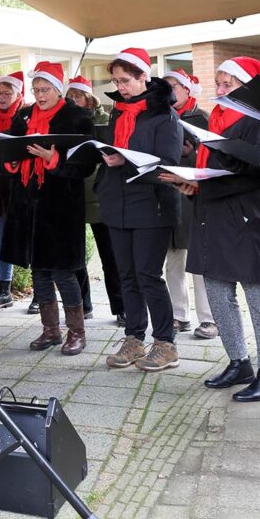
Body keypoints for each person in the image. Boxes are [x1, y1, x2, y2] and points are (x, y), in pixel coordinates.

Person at [163, 57, 260, 402]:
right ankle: (238, 362)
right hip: (211, 212)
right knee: (217, 292)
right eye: (217, 83)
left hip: (248, 217)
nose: (219, 91)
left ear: (247, 87)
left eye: (227, 84)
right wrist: (193, 183)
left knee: (258, 296)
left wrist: (204, 183)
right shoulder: (216, 119)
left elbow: (257, 172)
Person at [97, 49, 182, 371]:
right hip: (117, 204)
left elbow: (170, 164)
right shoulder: (119, 112)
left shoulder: (165, 116)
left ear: (144, 77)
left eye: (126, 80)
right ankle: (134, 338)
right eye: (116, 80)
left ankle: (165, 343)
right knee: (127, 276)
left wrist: (125, 159)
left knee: (148, 276)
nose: (120, 86)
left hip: (152, 205)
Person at [1, 61, 94, 356]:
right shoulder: (24, 115)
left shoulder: (77, 117)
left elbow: (86, 164)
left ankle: (76, 332)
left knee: (63, 271)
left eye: (45, 90)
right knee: (39, 270)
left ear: (58, 89)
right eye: (36, 89)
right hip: (28, 203)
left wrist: (53, 160)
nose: (40, 95)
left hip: (61, 206)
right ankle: (50, 330)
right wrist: (13, 160)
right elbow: (9, 149)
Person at [66, 75, 123, 324]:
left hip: (99, 196)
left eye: (77, 96)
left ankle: (121, 307)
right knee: (75, 256)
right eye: (69, 97)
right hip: (74, 195)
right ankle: (83, 305)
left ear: (89, 97)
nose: (72, 101)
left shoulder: (106, 120)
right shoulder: (66, 122)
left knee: (110, 257)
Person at [162, 68, 216, 338]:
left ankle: (208, 319)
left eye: (174, 85)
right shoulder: (163, 117)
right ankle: (178, 314)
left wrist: (191, 152)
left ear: (187, 89)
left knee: (199, 260)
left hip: (194, 196)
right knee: (174, 259)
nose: (170, 91)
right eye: (166, 86)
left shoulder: (202, 119)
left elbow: (212, 159)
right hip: (168, 196)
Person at [0, 72, 26, 311]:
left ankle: (42, 293)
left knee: (29, 238)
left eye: (7, 93)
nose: (2, 97)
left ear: (17, 94)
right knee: (1, 239)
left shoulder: (25, 117)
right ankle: (4, 288)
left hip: (21, 186)